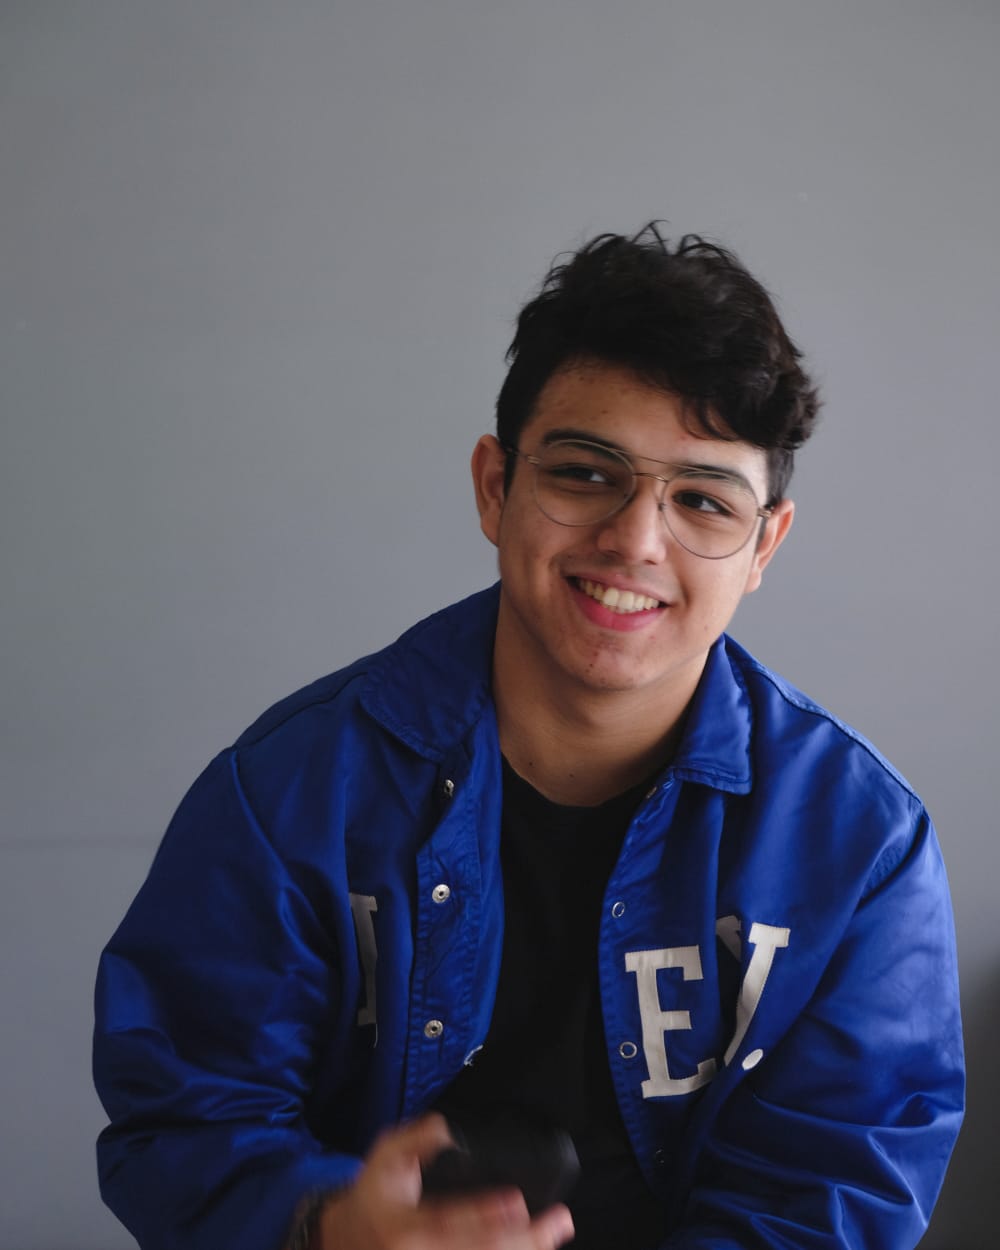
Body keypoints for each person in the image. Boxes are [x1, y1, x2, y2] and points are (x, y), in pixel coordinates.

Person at [93, 225, 964, 1250]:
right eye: (586, 474)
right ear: (495, 487)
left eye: (701, 500)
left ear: (763, 544)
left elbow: (833, 1192)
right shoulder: (287, 794)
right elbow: (183, 1123)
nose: (635, 541)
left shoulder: (861, 846)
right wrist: (327, 1225)